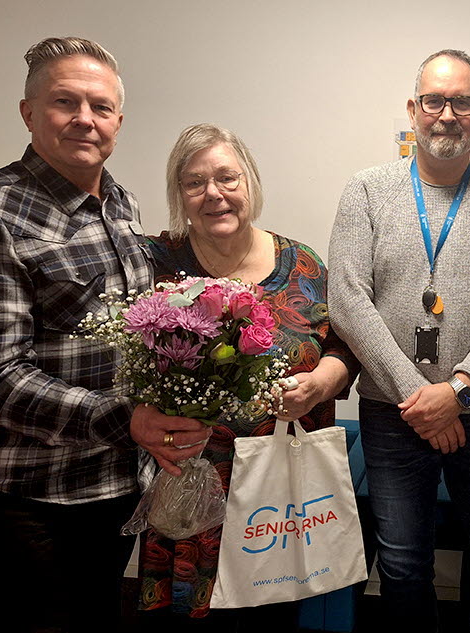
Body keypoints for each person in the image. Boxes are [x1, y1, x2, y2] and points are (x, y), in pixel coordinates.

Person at [0, 37, 209, 633]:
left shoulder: (119, 203)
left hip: (115, 484)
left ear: (118, 121)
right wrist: (126, 420)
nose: (85, 119)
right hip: (34, 496)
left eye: (101, 106)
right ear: (29, 112)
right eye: (66, 101)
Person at [328, 49, 470, 633]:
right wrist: (420, 399)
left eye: (462, 102)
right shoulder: (367, 190)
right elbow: (348, 301)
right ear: (412, 108)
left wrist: (460, 391)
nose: (447, 114)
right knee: (402, 569)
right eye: (434, 100)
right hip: (391, 414)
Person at [138, 123, 358, 629]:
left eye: (227, 178)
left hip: (281, 499)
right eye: (195, 183)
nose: (214, 193)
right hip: (191, 493)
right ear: (179, 195)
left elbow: (344, 345)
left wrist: (318, 386)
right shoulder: (155, 263)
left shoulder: (302, 263)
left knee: (270, 616)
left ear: (250, 182)